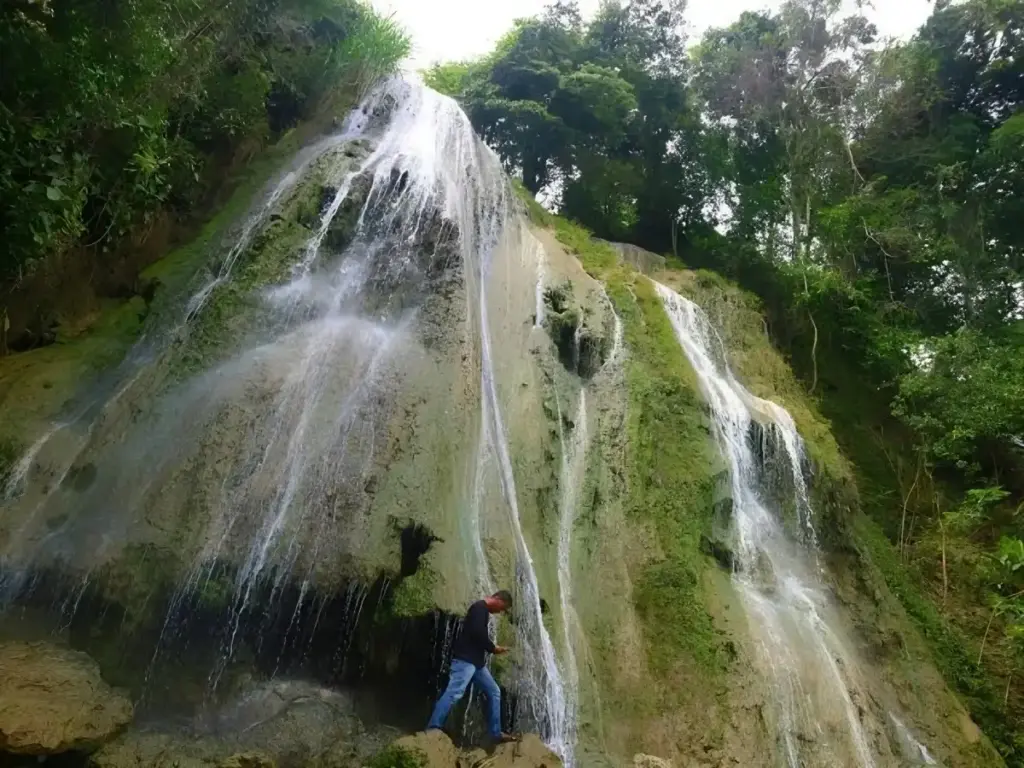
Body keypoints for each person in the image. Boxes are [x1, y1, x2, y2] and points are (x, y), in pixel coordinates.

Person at [426, 590, 513, 742]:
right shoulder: (479, 608)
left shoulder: (482, 611)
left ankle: (495, 733)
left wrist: (492, 648)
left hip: (477, 663)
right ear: (498, 599)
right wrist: (493, 648)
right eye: (503, 608)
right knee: (454, 693)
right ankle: (433, 727)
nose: (500, 612)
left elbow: (478, 635)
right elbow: (478, 633)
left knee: (494, 691)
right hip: (465, 661)